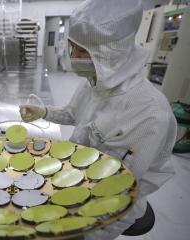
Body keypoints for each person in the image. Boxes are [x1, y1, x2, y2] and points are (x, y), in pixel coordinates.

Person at [19, 0, 177, 239]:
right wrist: (44, 112)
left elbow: (119, 187)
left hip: (113, 207)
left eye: (82, 51)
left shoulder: (148, 113)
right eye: (72, 48)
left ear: (112, 51)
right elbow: (74, 114)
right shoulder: (96, 81)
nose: (74, 57)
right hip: (76, 177)